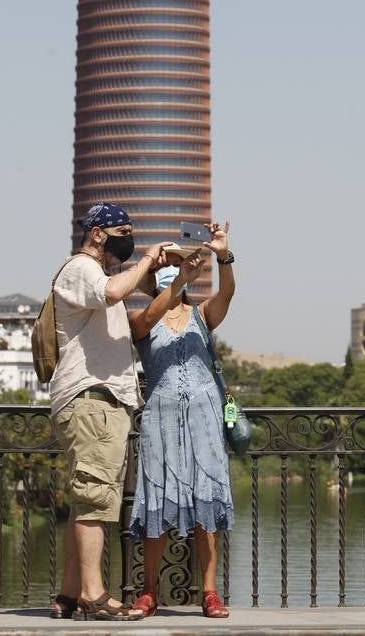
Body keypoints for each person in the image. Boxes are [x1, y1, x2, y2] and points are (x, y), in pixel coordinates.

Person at [50, 202, 171, 622]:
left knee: (90, 499)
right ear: (98, 234)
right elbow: (116, 292)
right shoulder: (82, 268)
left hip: (101, 401)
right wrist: (147, 259)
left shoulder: (97, 274)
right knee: (97, 500)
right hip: (92, 399)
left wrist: (177, 271)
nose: (128, 238)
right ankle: (94, 594)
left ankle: (68, 594)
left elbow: (139, 306)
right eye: (122, 230)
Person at [128, 220, 236, 618]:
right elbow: (146, 322)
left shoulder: (202, 314)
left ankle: (209, 592)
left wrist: (223, 254)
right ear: (154, 275)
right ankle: (148, 590)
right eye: (166, 265)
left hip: (204, 417)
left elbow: (228, 292)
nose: (174, 269)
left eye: (178, 264)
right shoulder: (142, 318)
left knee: (205, 502)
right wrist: (174, 284)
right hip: (160, 417)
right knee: (156, 498)